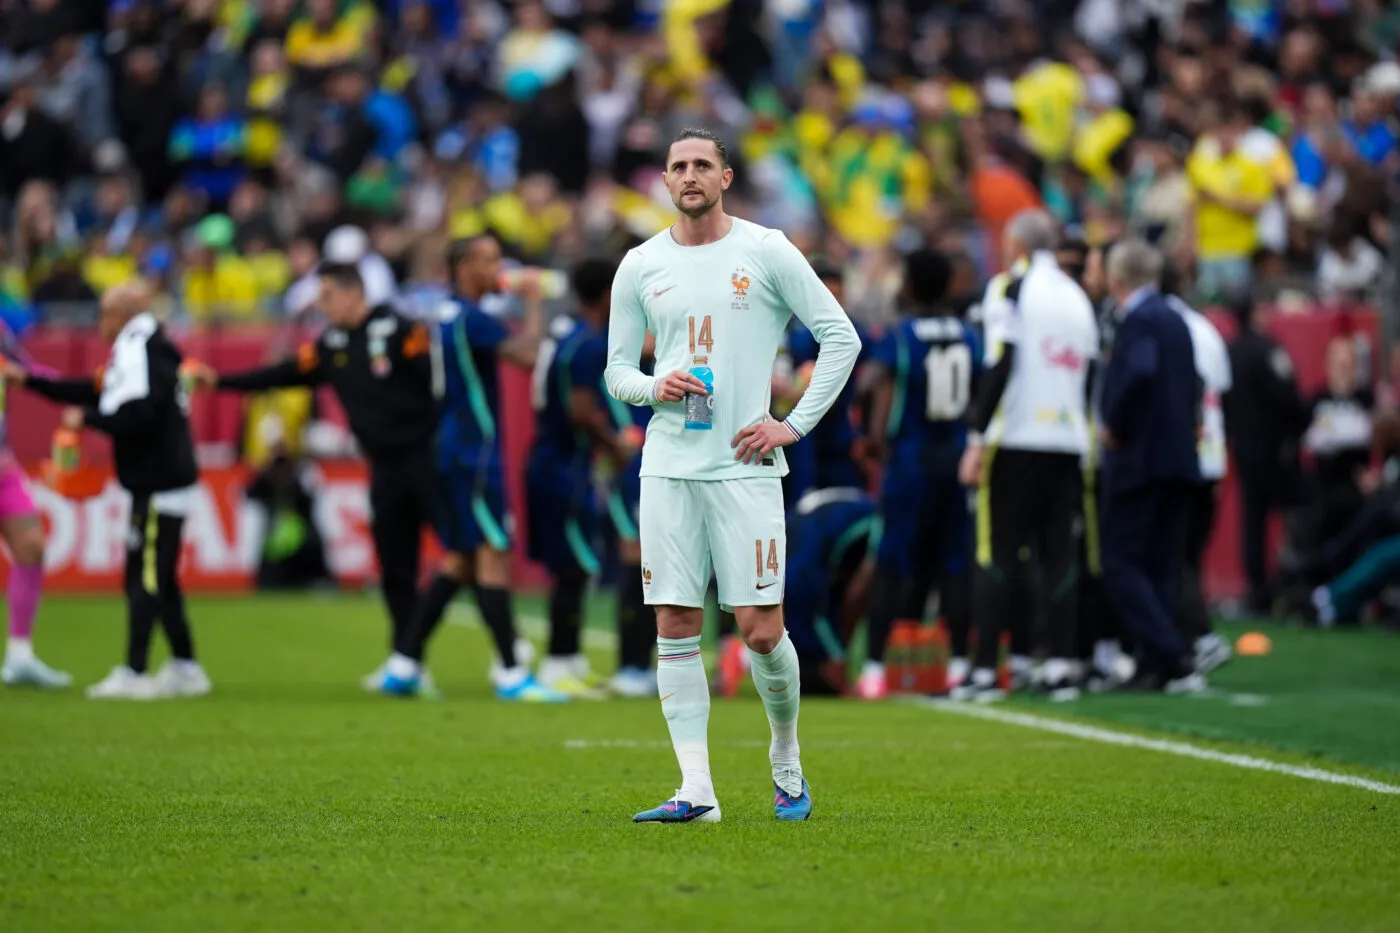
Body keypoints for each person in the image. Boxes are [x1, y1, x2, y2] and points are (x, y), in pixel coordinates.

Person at [606, 127, 860, 823]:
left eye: (702, 165)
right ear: (665, 180)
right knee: (677, 622)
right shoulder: (639, 264)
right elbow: (617, 369)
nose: (689, 175)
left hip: (745, 466)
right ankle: (697, 791)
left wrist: (792, 423)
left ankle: (785, 756)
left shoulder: (766, 249)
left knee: (760, 631)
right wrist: (656, 386)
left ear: (725, 176)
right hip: (667, 466)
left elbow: (842, 336)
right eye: (677, 165)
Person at [194, 263, 439, 691]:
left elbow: (439, 389)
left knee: (467, 554)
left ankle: (507, 657)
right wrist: (220, 382)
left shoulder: (403, 330)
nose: (321, 306)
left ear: (351, 292)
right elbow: (282, 373)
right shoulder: (331, 344)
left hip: (429, 461)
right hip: (383, 468)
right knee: (396, 568)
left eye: (326, 296)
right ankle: (406, 663)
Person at [379, 235, 564, 702]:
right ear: (463, 267)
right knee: (494, 552)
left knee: (459, 560)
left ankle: (404, 662)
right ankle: (510, 672)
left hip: (451, 449)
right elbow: (529, 356)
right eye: (488, 261)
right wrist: (534, 303)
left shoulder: (442, 314)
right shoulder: (474, 318)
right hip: (476, 454)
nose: (497, 269)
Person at [7, 282, 208, 700]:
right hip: (164, 477)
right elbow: (94, 389)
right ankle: (186, 666)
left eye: (105, 313)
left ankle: (135, 672)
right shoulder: (148, 347)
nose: (100, 323)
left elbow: (138, 415)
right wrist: (29, 380)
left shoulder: (140, 349)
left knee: (143, 578)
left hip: (158, 481)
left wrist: (89, 421)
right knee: (161, 577)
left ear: (125, 314)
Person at [956, 210, 1098, 702]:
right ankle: (1059, 664)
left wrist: (976, 435)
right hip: (1068, 439)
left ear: (1016, 243)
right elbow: (1091, 372)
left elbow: (1002, 360)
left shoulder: (1010, 288)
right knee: (1059, 554)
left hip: (1016, 437)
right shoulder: (1077, 296)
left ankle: (982, 670)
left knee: (995, 553)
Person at [858, 249, 980, 700]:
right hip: (955, 458)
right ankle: (960, 666)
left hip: (910, 461)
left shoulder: (902, 336)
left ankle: (873, 668)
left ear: (907, 285)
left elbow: (878, 386)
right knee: (954, 564)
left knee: (891, 563)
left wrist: (873, 439)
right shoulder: (969, 335)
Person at [1097, 241, 1204, 693]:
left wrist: (1113, 421)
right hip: (1179, 457)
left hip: (1141, 457)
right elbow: (1194, 382)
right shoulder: (1177, 317)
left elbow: (1139, 371)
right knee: (1159, 564)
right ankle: (1154, 665)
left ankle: (1168, 652)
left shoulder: (1137, 319)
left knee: (1119, 560)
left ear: (1116, 277)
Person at [526, 257, 627, 698]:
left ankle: (569, 659)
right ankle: (557, 661)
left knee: (573, 565)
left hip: (551, 459)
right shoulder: (588, 344)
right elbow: (581, 411)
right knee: (573, 566)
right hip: (563, 466)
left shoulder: (563, 332)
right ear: (607, 295)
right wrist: (614, 445)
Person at [1164, 283, 1234, 674]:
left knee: (1174, 555)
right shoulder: (1206, 329)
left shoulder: (1165, 327)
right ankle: (1191, 635)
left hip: (1185, 454)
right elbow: (1222, 392)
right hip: (1212, 455)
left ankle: (1199, 636)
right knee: (1190, 555)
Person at [1224, 294, 1309, 614]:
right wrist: (1300, 426)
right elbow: (1288, 397)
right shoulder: (1268, 350)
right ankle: (1298, 582)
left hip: (1244, 451)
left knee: (1253, 522)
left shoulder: (1230, 351)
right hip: (1277, 450)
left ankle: (1257, 589)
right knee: (1298, 513)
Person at [0, 319, 70, 689]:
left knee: (32, 546)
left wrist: (70, 385)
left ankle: (20, 656)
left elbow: (25, 369)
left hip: (2, 465)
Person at [782, 486, 877, 696]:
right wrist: (837, 657)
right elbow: (858, 591)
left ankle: (746, 657)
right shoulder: (874, 518)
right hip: (802, 569)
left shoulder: (856, 508)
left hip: (791, 538)